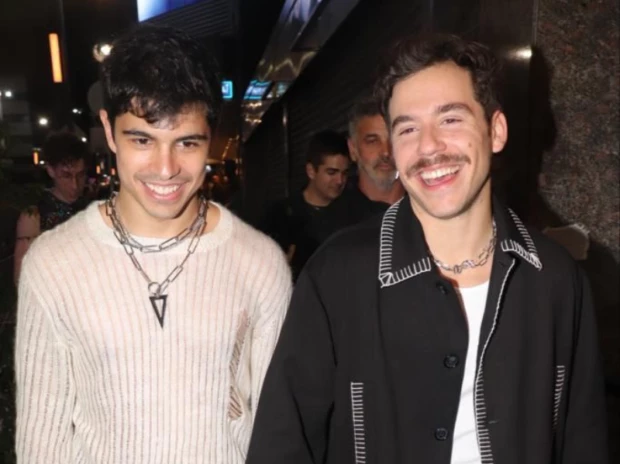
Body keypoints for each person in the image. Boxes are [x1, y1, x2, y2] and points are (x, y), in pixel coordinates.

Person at [247, 34, 608, 463]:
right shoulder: (338, 275)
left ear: (495, 131)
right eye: (408, 129)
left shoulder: (554, 278)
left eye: (450, 119)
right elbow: (281, 444)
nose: (429, 146)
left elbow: (583, 439)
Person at [15, 25, 292, 464]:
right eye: (142, 140)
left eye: (187, 142)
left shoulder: (260, 263)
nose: (166, 169)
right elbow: (41, 443)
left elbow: (276, 430)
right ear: (109, 131)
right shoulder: (53, 265)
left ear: (210, 136)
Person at [263, 129, 350, 279]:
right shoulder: (280, 216)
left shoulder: (352, 212)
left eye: (344, 173)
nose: (340, 181)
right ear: (311, 171)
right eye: (331, 172)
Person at [13, 131, 89, 282]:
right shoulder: (34, 215)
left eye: (80, 175)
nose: (74, 185)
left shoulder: (91, 209)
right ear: (51, 171)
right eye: (66, 176)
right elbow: (21, 278)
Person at [339, 97, 404, 224]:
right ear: (353, 149)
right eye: (373, 141)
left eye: (393, 140)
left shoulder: (430, 206)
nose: (386, 152)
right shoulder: (335, 223)